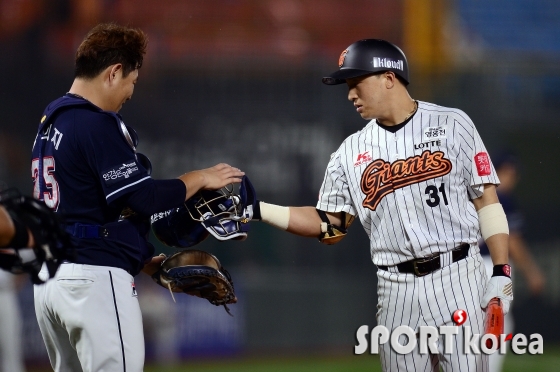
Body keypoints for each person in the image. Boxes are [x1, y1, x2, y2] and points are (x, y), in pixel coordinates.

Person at [247, 39, 513, 371]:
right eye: (347, 85)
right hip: (395, 289)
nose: (350, 94)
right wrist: (258, 210)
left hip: (457, 277)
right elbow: (332, 226)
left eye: (356, 82)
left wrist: (501, 270)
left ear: (389, 77)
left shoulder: (452, 124)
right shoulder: (349, 152)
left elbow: (486, 200)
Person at [30, 23, 244, 372]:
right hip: (92, 280)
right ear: (114, 73)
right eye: (132, 81)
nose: (131, 92)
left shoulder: (50, 122)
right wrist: (199, 177)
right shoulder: (95, 123)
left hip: (51, 282)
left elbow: (87, 211)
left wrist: (143, 259)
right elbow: (144, 198)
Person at [480, 152, 545, 372]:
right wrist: (532, 271)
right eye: (507, 172)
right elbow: (513, 242)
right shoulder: (504, 199)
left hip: (467, 266)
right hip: (493, 265)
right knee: (499, 322)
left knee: (472, 323)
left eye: (513, 173)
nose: (511, 177)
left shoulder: (475, 194)